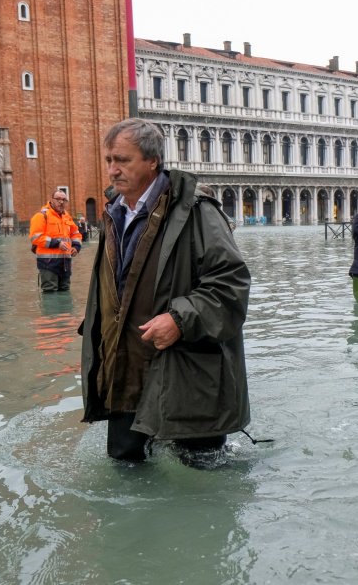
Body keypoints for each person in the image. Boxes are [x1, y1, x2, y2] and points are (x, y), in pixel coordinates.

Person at [79, 118, 252, 464]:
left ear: (152, 160)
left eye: (122, 160)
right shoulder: (114, 214)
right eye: (108, 160)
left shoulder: (198, 213)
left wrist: (179, 319)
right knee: (126, 471)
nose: (112, 171)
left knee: (202, 480)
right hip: (123, 372)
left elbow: (231, 284)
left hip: (186, 374)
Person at [29, 189, 82, 292]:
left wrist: (76, 247)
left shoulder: (67, 217)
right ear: (51, 200)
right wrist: (57, 243)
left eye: (64, 200)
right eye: (58, 199)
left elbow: (75, 233)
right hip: (48, 263)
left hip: (65, 263)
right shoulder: (41, 216)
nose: (61, 202)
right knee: (50, 292)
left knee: (65, 291)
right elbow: (35, 237)